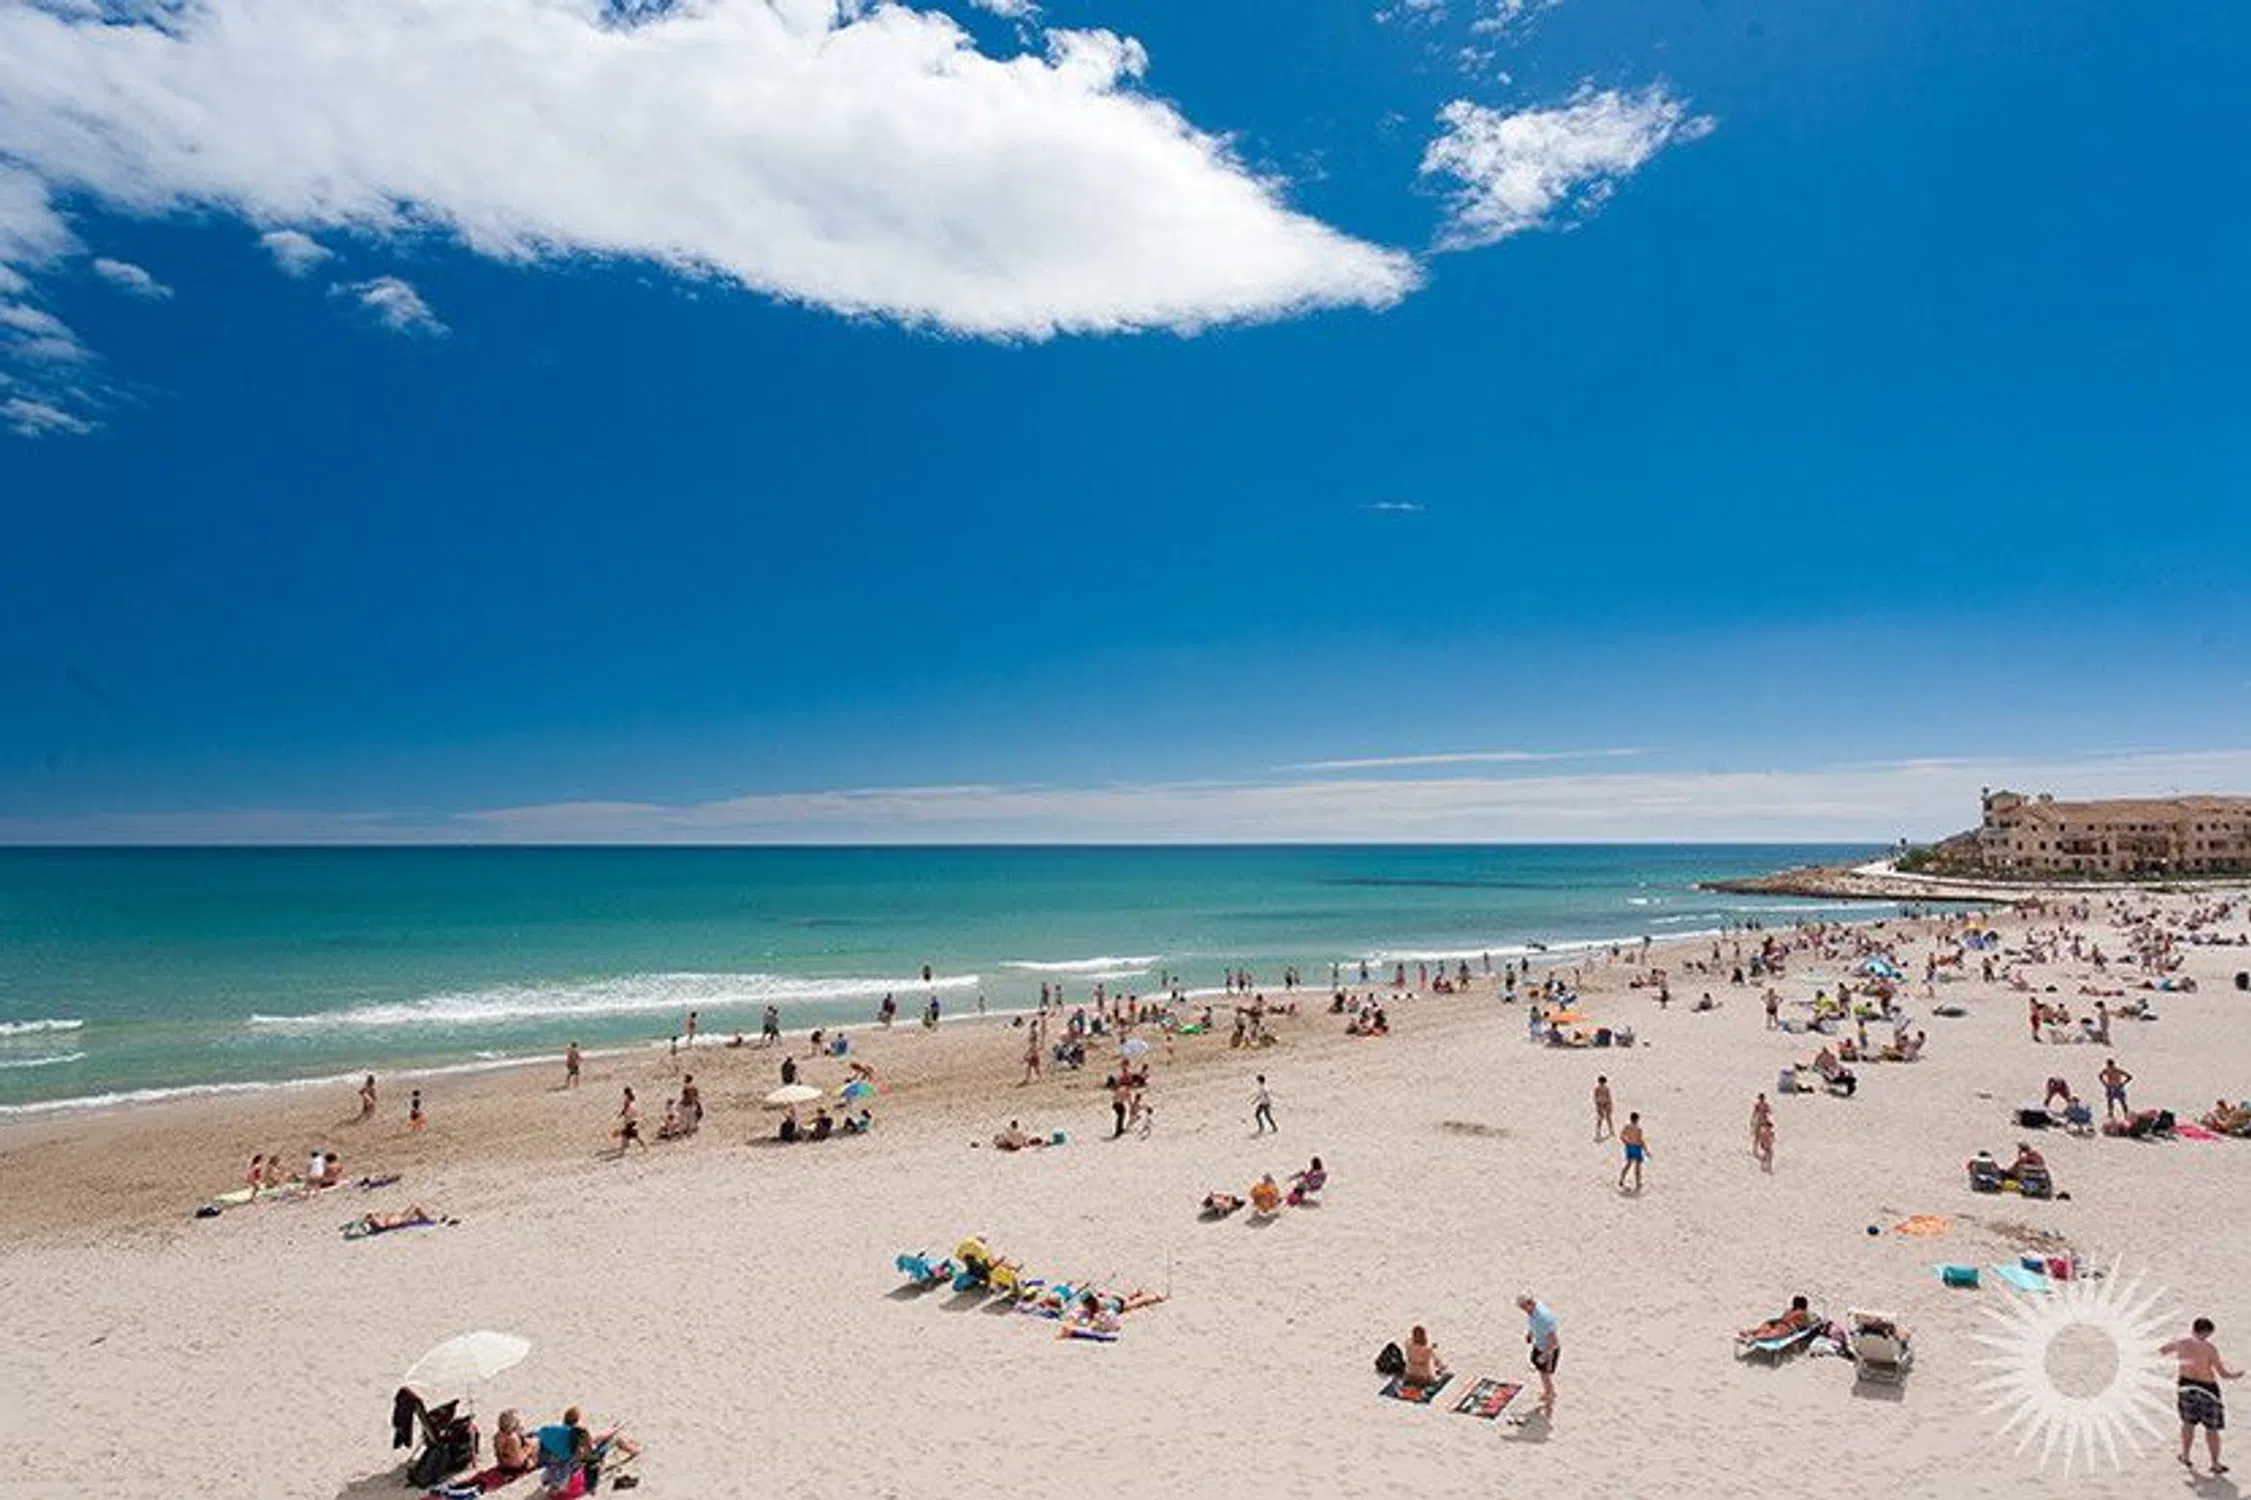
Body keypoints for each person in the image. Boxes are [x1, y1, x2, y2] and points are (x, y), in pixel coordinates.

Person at [2162, 1317, 2242, 1475]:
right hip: (2207, 1390)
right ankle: (2215, 1464)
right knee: (2212, 1429)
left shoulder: (2180, 1341)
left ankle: (2185, 1456)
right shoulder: (2209, 1348)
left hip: (2185, 1386)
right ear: (2206, 1332)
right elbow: (2223, 1374)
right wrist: (2236, 1375)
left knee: (2188, 1423)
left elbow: (2161, 1351)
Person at [1519, 1293, 1560, 1420]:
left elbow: (1554, 1341)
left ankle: (1550, 1400)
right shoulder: (1532, 1312)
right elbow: (1532, 1323)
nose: (1523, 1310)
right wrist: (1530, 1334)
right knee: (1541, 1372)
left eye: (1523, 1307)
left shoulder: (1544, 1317)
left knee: (1545, 1374)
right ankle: (1549, 1392)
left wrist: (1545, 1355)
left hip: (1548, 1350)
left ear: (1530, 1303)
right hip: (1539, 1345)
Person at [1739, 1295, 1812, 1342]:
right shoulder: (1803, 1313)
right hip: (1786, 1326)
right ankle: (1754, 1338)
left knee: (1760, 1330)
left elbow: (1784, 1317)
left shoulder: (1789, 1310)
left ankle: (1748, 1332)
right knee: (1771, 1334)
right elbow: (1807, 1324)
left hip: (1775, 1321)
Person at [491, 1409, 537, 1476]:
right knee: (534, 1442)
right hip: (514, 1467)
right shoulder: (513, 1438)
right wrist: (528, 1449)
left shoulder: (497, 1436)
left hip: (502, 1465)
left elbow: (499, 1454)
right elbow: (518, 1459)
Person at [1618, 1112, 1649, 1193]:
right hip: (1637, 1147)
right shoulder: (1638, 1129)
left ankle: (1621, 1179)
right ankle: (1638, 1183)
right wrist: (1646, 1150)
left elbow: (1621, 1136)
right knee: (1637, 1167)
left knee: (1628, 1164)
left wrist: (1626, 1142)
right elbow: (1640, 1140)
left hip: (1629, 1147)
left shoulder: (1627, 1127)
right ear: (1637, 1119)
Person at [1593, 1075, 1614, 1140]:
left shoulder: (1606, 1089)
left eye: (1602, 1082)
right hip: (1600, 1104)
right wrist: (1598, 1105)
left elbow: (1609, 1097)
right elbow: (1595, 1098)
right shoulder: (1597, 1089)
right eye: (1601, 1082)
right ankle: (1598, 1131)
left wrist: (1610, 1105)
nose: (1602, 1083)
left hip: (1606, 1104)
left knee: (1608, 1118)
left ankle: (1611, 1130)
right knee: (1600, 1118)